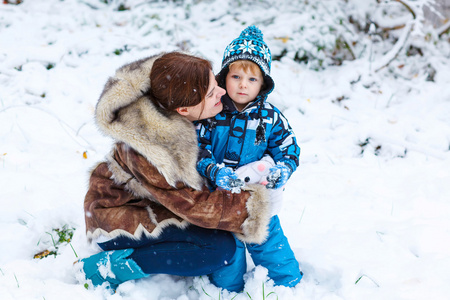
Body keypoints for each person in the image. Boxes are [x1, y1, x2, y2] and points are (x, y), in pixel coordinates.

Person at [76, 51, 273, 292]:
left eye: (216, 84)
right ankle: (109, 267)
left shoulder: (173, 97)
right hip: (116, 220)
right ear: (183, 110)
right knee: (218, 250)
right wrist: (252, 205)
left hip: (153, 200)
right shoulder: (155, 150)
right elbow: (193, 205)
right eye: (212, 93)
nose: (222, 91)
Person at [195, 26, 303, 290]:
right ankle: (227, 290)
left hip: (255, 197)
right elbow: (197, 149)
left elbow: (288, 147)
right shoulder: (212, 113)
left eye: (252, 79)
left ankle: (291, 287)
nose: (243, 85)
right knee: (226, 260)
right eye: (236, 76)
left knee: (272, 246)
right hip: (217, 198)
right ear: (224, 77)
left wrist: (284, 169)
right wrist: (213, 170)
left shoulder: (270, 116)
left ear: (263, 83)